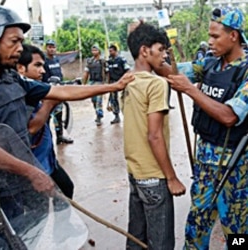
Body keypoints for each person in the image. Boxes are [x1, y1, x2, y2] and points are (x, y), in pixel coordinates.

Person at [0, 5, 134, 247]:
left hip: (16, 188)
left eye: (21, 41)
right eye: (13, 41)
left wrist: (112, 87)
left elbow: (62, 90)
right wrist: (32, 172)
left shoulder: (11, 78)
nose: (20, 48)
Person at [156, 6, 248, 249]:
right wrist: (155, 52)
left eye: (215, 36)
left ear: (234, 36)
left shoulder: (246, 70)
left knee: (238, 233)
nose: (210, 41)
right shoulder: (209, 64)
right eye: (209, 35)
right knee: (196, 226)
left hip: (235, 170)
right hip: (205, 166)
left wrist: (190, 89)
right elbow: (173, 73)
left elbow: (229, 116)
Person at [123, 23, 186, 250]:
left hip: (135, 172)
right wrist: (171, 177)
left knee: (137, 239)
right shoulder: (156, 84)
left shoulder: (127, 79)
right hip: (154, 176)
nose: (165, 56)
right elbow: (154, 136)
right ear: (144, 50)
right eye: (161, 49)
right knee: (161, 244)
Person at [16, 44, 74, 199]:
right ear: (21, 68)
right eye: (37, 66)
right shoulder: (20, 94)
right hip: (33, 167)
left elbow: (68, 92)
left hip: (48, 162)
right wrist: (49, 103)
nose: (42, 70)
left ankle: (63, 223)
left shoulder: (39, 89)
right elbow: (32, 129)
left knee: (67, 189)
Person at [42, 39, 73, 145]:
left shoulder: (56, 60)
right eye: (49, 47)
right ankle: (44, 139)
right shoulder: (44, 61)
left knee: (58, 116)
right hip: (48, 93)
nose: (51, 49)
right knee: (46, 117)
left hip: (58, 92)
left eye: (53, 47)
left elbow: (60, 75)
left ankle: (59, 137)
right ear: (46, 48)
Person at [82, 45, 106, 126]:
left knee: (99, 100)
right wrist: (83, 84)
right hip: (92, 82)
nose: (94, 52)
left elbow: (106, 72)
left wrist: (106, 83)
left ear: (99, 51)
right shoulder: (89, 61)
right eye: (92, 50)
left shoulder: (102, 61)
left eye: (95, 50)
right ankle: (97, 113)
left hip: (99, 83)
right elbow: (86, 73)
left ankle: (99, 117)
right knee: (94, 100)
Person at [106, 44, 130, 124]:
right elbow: (108, 73)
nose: (110, 52)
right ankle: (116, 116)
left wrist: (125, 81)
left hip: (122, 82)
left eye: (111, 51)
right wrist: (108, 84)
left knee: (123, 99)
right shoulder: (109, 61)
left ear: (115, 51)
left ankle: (127, 116)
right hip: (113, 83)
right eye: (109, 51)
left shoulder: (121, 59)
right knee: (113, 100)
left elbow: (127, 70)